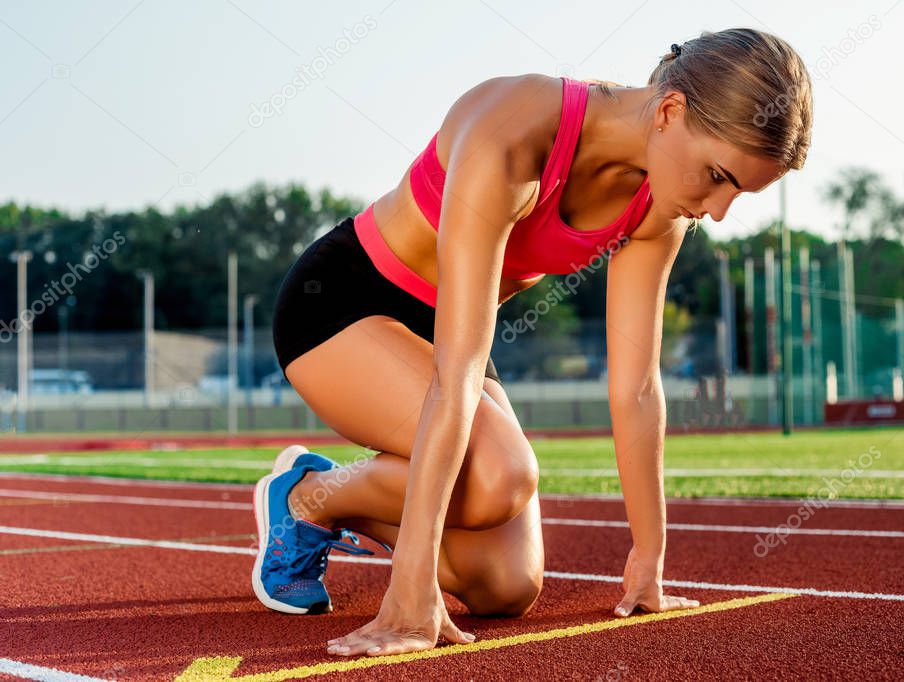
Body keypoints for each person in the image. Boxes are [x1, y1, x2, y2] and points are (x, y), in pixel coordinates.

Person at [254, 27, 813, 658]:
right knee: (502, 474)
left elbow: (636, 384)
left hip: (452, 331)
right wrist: (408, 596)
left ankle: (325, 498)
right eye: (718, 176)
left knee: (506, 587)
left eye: (738, 192)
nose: (717, 211)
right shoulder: (515, 129)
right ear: (669, 110)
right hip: (343, 305)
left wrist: (649, 554)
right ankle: (305, 494)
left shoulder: (661, 209)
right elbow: (457, 369)